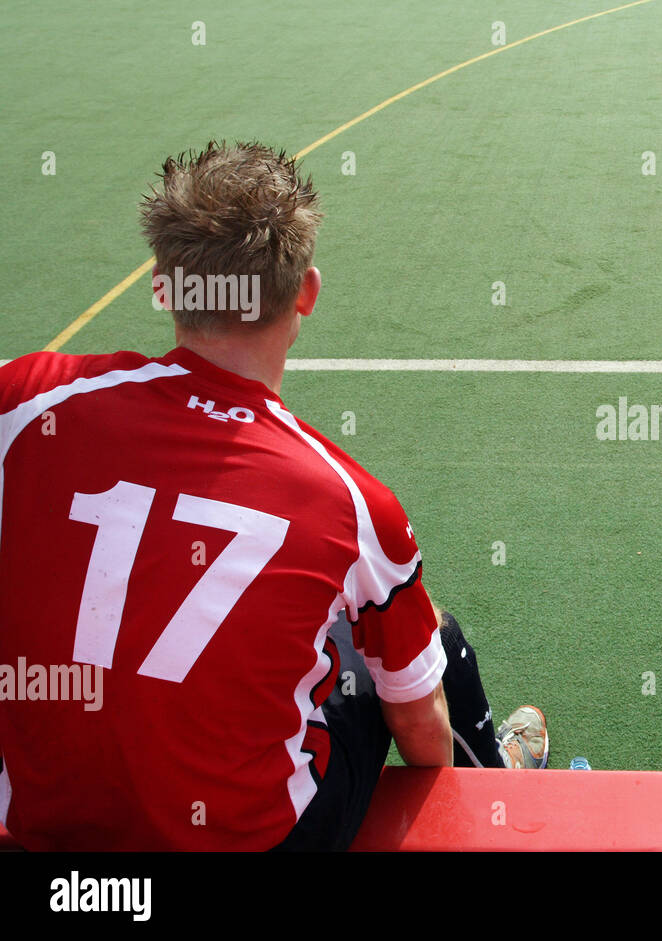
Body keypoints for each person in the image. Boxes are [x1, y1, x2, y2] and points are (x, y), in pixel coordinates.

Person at [0, 141, 547, 852]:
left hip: (52, 836)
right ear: (307, 292)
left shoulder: (26, 397)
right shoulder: (352, 503)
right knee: (426, 638)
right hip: (259, 842)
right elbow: (421, 734)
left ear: (165, 286)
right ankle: (501, 787)